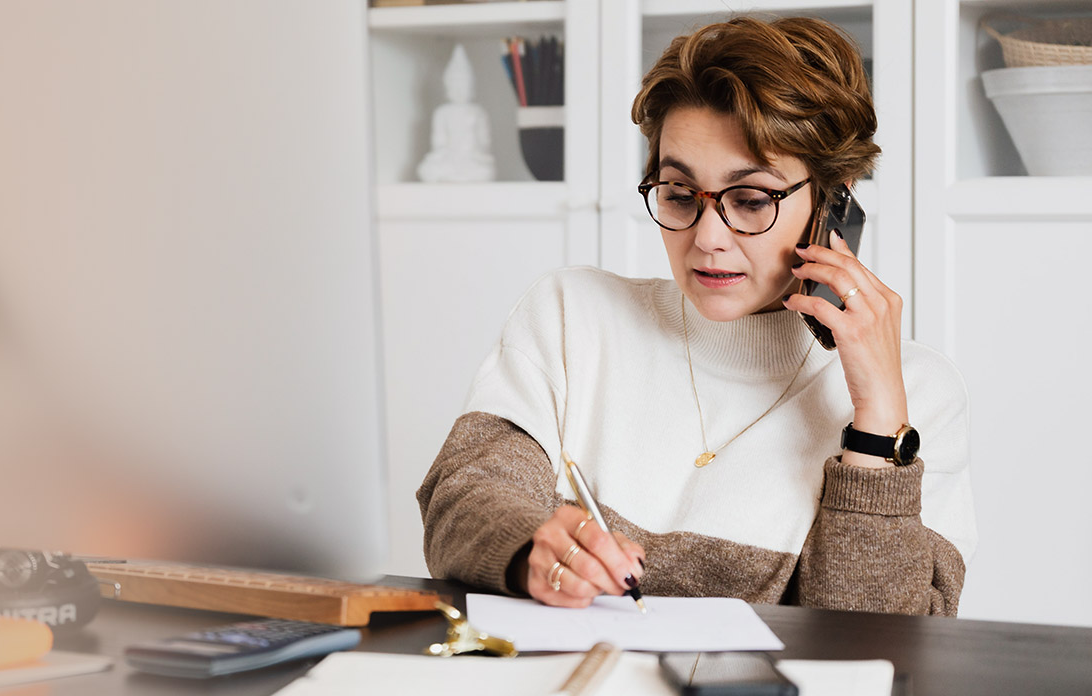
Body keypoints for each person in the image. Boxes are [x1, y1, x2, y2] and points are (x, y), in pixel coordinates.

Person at [416, 16, 974, 616]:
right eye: (680, 194)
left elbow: (873, 637)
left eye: (751, 199)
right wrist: (533, 549)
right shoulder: (572, 316)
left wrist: (877, 427)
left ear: (832, 201)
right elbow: (462, 500)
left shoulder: (916, 393)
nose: (707, 238)